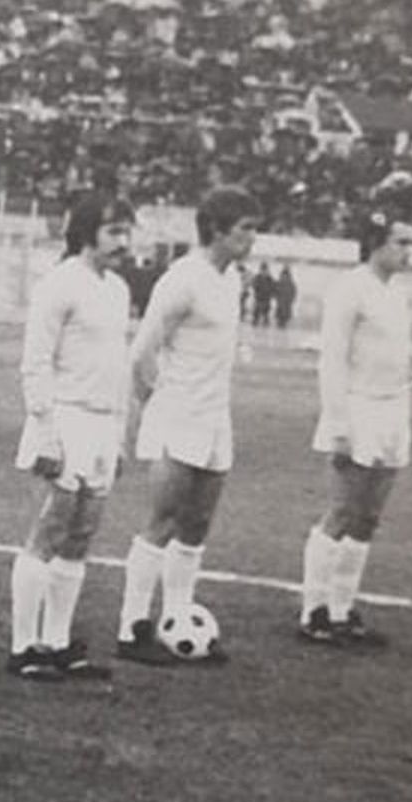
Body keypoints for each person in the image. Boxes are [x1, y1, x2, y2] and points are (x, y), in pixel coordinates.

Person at [117, 187, 259, 666]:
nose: (252, 238)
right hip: (178, 416)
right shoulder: (182, 280)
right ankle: (132, 628)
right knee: (162, 522)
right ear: (216, 229)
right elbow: (141, 354)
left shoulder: (232, 279)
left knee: (197, 526)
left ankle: (177, 619)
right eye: (245, 229)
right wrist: (157, 406)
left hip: (216, 418)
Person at [6, 196, 135, 681]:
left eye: (127, 232)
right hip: (65, 418)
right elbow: (36, 361)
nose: (124, 242)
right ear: (86, 232)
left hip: (102, 425)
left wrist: (118, 436)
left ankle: (57, 642)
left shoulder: (117, 289)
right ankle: (24, 646)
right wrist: (45, 431)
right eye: (114, 231)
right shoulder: (59, 284)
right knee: (48, 533)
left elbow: (116, 367)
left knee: (82, 536)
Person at [295, 212, 412, 648]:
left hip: (392, 411)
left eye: (411, 243)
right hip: (357, 409)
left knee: (368, 517)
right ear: (376, 243)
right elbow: (332, 360)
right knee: (342, 512)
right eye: (401, 242)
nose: (408, 252)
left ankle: (342, 609)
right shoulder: (349, 289)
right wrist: (339, 425)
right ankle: (314, 610)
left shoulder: (397, 294)